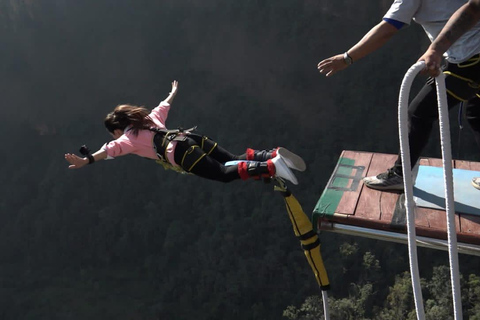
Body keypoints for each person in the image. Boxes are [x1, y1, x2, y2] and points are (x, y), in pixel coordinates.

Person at [317, 0, 480, 191]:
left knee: (419, 113)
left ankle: (400, 175)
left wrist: (348, 57)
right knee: (476, 113)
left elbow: (388, 28)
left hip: (470, 60)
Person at [64, 81, 305, 185]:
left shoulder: (127, 139)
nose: (115, 138)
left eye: (114, 133)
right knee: (231, 159)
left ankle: (272, 166)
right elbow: (163, 105)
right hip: (189, 138)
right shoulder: (147, 120)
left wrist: (87, 160)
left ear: (117, 129)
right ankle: (268, 155)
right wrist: (173, 91)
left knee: (223, 173)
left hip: (182, 153)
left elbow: (110, 150)